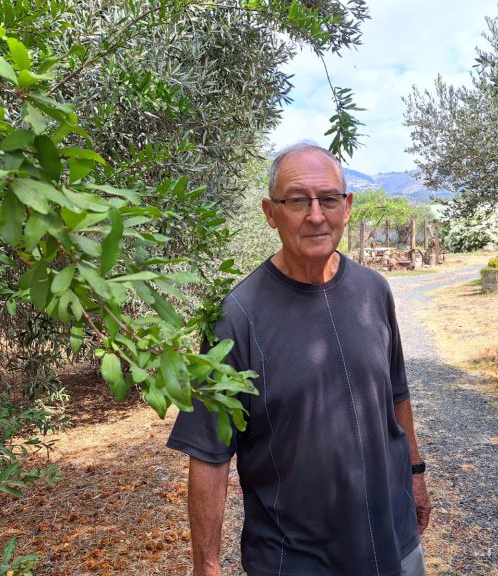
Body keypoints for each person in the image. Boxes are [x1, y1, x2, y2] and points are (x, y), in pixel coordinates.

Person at [167, 143, 431, 576]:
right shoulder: (236, 318)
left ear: (347, 206)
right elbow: (210, 454)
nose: (316, 215)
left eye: (328, 199)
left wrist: (416, 474)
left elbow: (397, 396)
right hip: (296, 560)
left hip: (393, 540)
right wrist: (207, 565)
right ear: (270, 213)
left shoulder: (374, 291)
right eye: (297, 201)